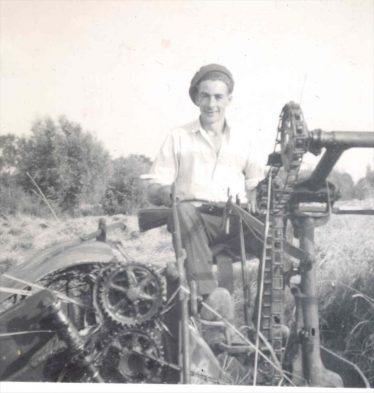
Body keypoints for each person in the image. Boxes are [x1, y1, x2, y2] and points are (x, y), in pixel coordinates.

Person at [147, 64, 263, 326]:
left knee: (276, 230)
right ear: (197, 98)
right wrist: (167, 193)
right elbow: (154, 186)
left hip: (236, 219)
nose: (212, 104)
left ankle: (265, 319)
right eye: (205, 96)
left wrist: (258, 196)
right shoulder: (178, 137)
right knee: (183, 210)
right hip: (196, 221)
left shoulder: (245, 138)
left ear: (229, 100)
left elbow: (256, 182)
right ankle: (211, 310)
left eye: (218, 97)